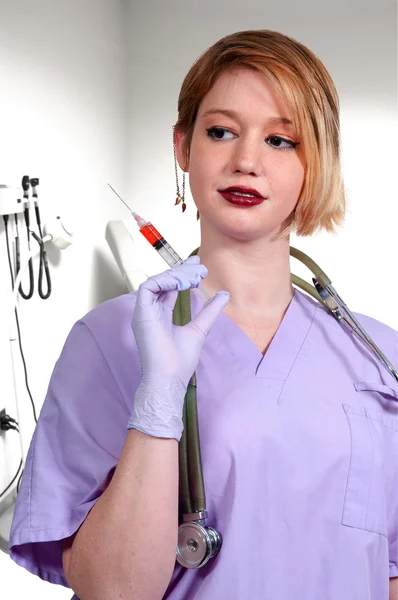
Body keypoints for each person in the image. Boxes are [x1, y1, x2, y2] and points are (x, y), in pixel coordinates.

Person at [8, 30, 398, 600]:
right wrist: (157, 405)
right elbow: (112, 590)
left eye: (281, 140)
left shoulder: (376, 354)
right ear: (183, 148)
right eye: (221, 132)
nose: (246, 161)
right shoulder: (108, 341)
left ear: (318, 160)